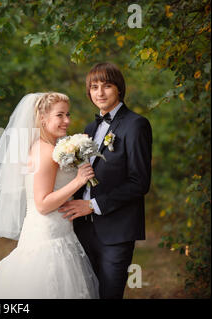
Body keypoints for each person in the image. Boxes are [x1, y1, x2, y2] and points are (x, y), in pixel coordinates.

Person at [0, 92, 99, 299]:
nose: (67, 121)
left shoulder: (49, 147)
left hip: (60, 232)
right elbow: (43, 204)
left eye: (68, 114)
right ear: (43, 118)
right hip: (48, 236)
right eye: (60, 115)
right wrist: (78, 181)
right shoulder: (44, 152)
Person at [59, 62, 152, 299]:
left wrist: (92, 205)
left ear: (119, 89)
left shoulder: (136, 124)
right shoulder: (89, 130)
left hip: (116, 231)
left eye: (107, 86)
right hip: (81, 230)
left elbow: (139, 182)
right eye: (94, 87)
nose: (100, 92)